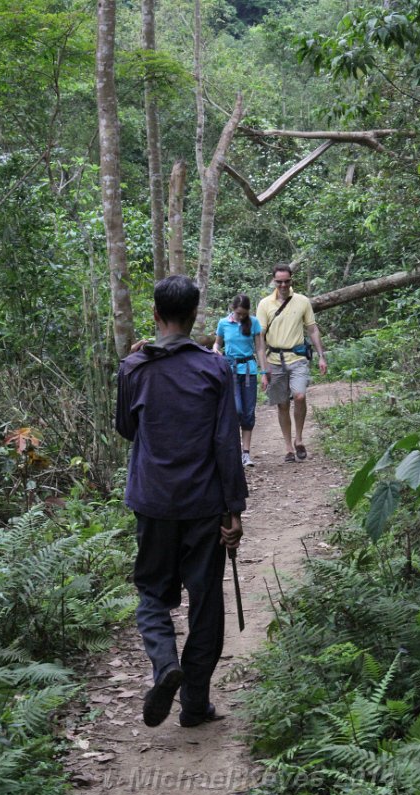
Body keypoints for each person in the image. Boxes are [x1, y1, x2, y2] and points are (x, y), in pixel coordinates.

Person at [115, 275, 248, 729]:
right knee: (206, 601)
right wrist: (234, 510)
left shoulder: (134, 368)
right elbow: (226, 445)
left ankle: (164, 663)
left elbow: (128, 430)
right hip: (204, 504)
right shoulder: (215, 369)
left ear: (155, 315)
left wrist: (133, 362)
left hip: (152, 501)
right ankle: (194, 704)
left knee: (152, 592)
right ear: (196, 317)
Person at [256, 263, 327, 463]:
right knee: (282, 404)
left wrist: (321, 355)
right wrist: (263, 369)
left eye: (287, 281)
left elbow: (312, 329)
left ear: (291, 280)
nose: (284, 285)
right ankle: (288, 447)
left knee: (300, 395)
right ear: (274, 281)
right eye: (280, 282)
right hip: (274, 360)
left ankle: (299, 439)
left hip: (297, 358)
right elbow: (259, 338)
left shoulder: (302, 301)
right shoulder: (264, 305)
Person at [213, 294, 267, 467]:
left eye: (244, 314)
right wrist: (215, 351)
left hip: (249, 370)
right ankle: (232, 449)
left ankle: (246, 453)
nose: (241, 316)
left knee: (248, 413)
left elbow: (259, 348)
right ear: (232, 309)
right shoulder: (223, 323)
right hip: (230, 370)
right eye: (238, 313)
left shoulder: (254, 323)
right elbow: (217, 344)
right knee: (236, 409)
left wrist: (264, 372)